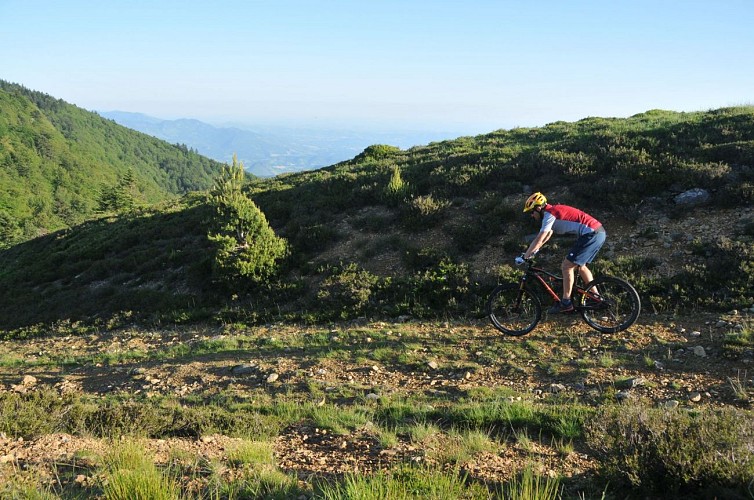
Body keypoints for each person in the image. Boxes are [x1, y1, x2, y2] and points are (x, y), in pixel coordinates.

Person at [518, 192, 606, 313]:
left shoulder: (550, 214)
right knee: (580, 266)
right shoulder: (551, 213)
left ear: (538, 208)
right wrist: (534, 251)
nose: (531, 215)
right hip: (598, 232)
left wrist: (525, 256)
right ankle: (595, 297)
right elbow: (547, 236)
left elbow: (540, 237)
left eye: (531, 212)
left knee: (566, 266)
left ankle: (566, 303)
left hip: (591, 234)